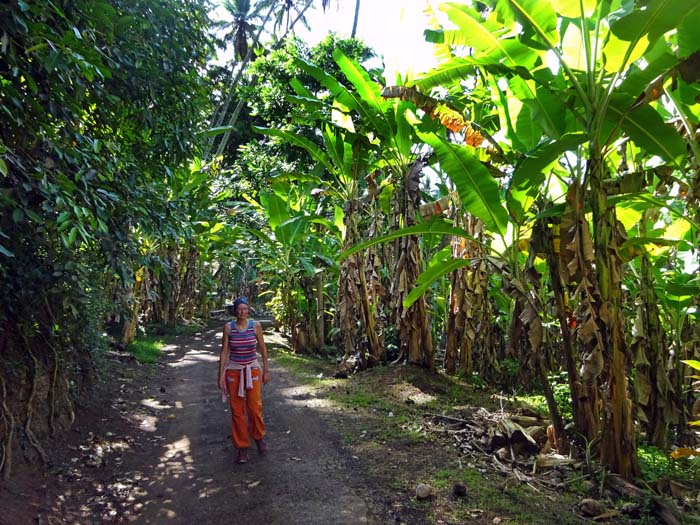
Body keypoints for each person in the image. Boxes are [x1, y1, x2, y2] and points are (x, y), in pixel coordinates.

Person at [218, 296, 270, 464]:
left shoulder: (256, 326)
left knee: (254, 407)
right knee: (237, 410)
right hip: (234, 371)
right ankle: (242, 447)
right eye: (239, 309)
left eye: (245, 308)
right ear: (235, 311)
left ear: (248, 310)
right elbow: (224, 352)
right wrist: (221, 376)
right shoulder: (228, 327)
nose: (242, 312)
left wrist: (266, 371)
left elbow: (262, 349)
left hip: (252, 368)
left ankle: (259, 437)